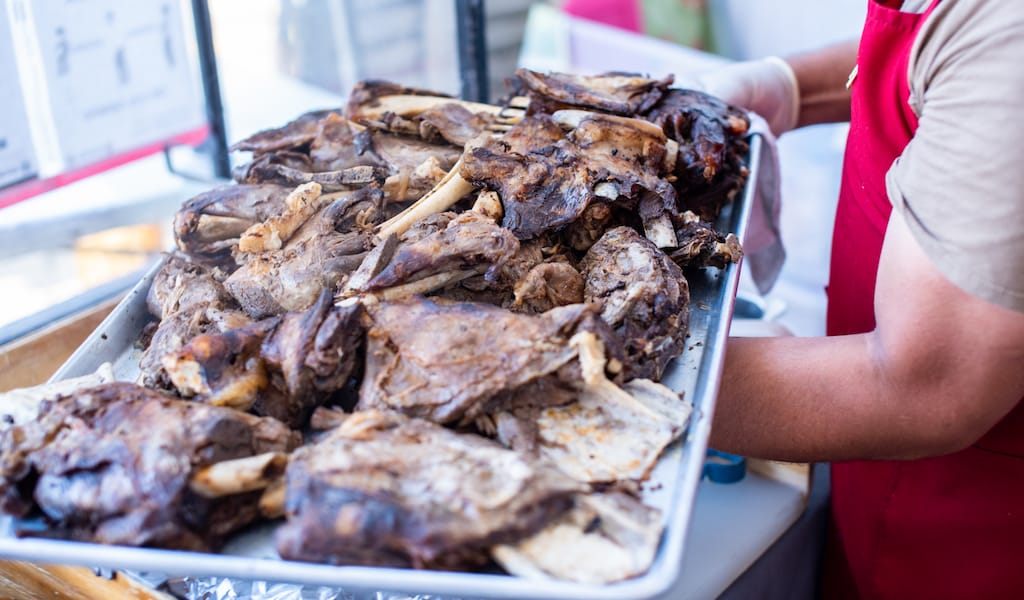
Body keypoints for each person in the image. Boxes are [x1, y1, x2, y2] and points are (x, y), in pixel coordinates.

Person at [691, 1, 1024, 597]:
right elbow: (947, 54)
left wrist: (608, 371)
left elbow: (923, 388)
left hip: (970, 534)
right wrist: (793, 87)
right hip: (880, 475)